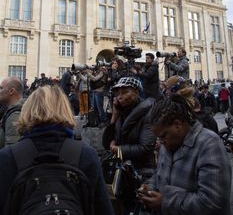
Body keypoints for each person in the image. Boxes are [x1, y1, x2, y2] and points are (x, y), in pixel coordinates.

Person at [0, 85, 114, 214]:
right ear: (66, 110)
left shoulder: (7, 157)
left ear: (27, 111)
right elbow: (103, 209)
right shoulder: (86, 154)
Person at [138, 93, 231, 215]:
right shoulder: (168, 144)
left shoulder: (209, 144)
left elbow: (212, 203)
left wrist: (165, 202)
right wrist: (150, 188)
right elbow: (159, 175)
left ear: (178, 124)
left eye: (163, 136)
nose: (160, 142)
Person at [102, 77, 156, 214]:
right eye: (117, 93)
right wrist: (114, 115)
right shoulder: (123, 112)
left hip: (143, 173)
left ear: (137, 92)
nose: (120, 97)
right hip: (126, 172)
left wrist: (120, 149)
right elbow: (106, 143)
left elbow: (146, 147)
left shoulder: (147, 113)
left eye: (125, 92)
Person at [0, 77, 24, 148]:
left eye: (1, 88)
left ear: (11, 91)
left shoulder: (15, 115)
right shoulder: (11, 110)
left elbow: (11, 153)